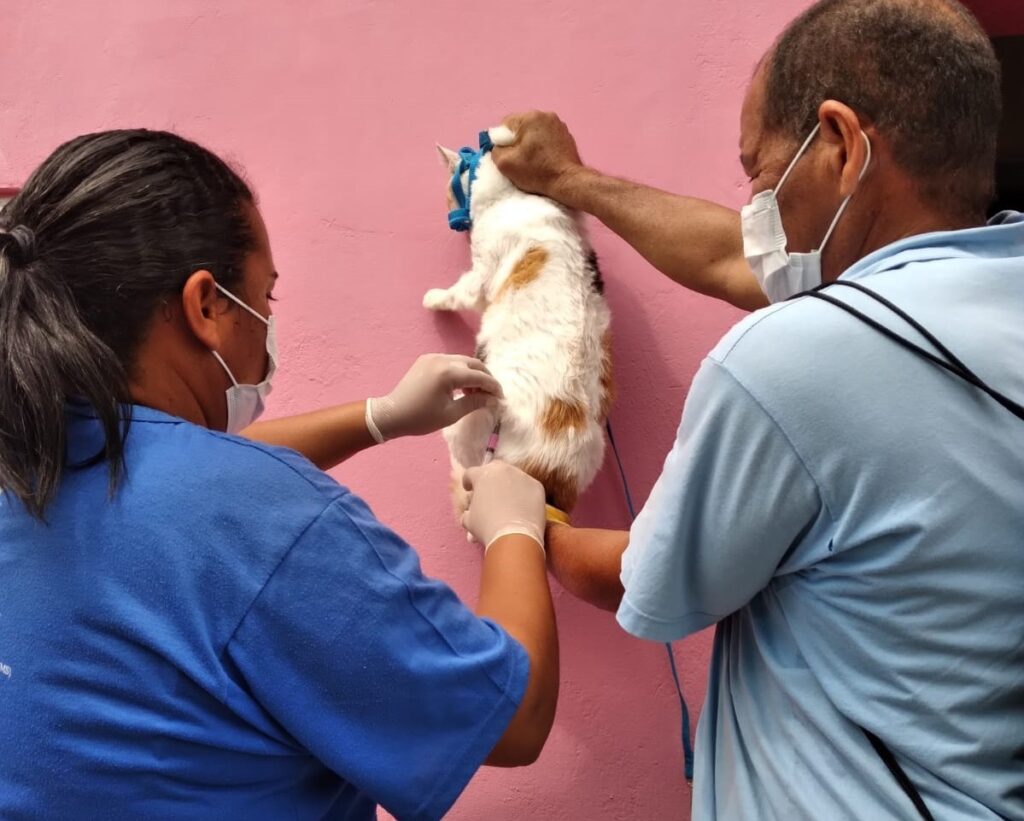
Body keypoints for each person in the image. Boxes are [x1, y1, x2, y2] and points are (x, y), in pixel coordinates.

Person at [492, 0, 1022, 818]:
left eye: (760, 174)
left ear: (841, 146)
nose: (755, 209)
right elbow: (728, 257)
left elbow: (653, 586)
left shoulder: (794, 358)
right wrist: (570, 183)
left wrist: (528, 525)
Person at [0, 130, 558, 819]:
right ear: (206, 305)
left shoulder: (27, 457)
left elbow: (165, 482)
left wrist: (378, 417)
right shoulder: (262, 518)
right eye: (267, 296)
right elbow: (513, 717)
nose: (267, 323)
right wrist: (514, 530)